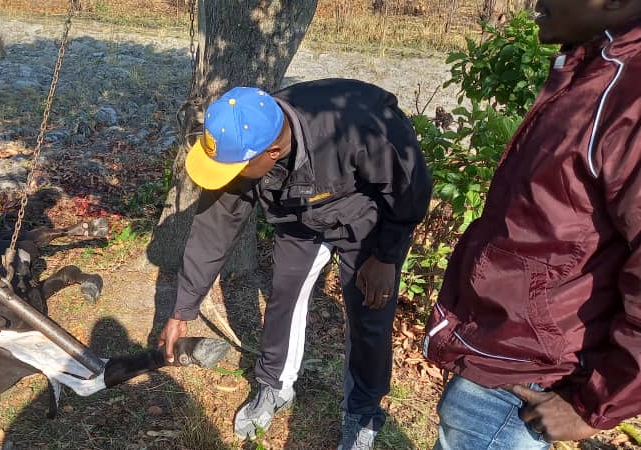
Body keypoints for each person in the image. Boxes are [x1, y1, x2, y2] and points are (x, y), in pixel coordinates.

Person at [158, 82, 432, 448]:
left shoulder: (358, 127)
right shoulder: (243, 145)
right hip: (297, 219)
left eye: (233, 169)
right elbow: (214, 230)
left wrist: (385, 256)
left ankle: (363, 410)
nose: (228, 175)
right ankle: (274, 386)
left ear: (273, 151)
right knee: (283, 298)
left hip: (365, 221)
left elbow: (410, 189)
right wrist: (183, 308)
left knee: (370, 316)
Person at [423, 1, 641, 448]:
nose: (534, 3)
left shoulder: (629, 94)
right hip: (507, 352)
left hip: (526, 377)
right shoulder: (594, 70)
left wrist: (598, 405)